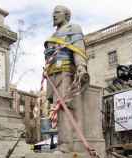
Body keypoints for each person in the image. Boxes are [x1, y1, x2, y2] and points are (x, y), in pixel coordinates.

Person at [43, 5, 89, 153]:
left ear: (66, 15)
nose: (54, 15)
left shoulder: (73, 28)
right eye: (53, 13)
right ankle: (62, 141)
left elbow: (78, 49)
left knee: (64, 107)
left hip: (65, 72)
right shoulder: (53, 35)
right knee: (56, 109)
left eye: (57, 12)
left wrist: (81, 67)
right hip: (51, 75)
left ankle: (65, 144)